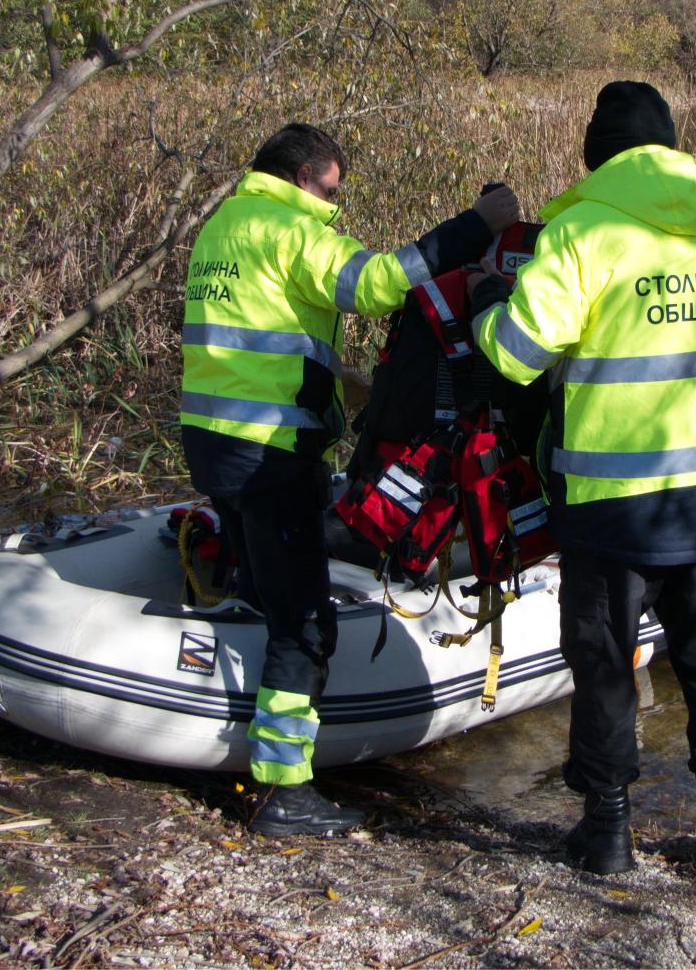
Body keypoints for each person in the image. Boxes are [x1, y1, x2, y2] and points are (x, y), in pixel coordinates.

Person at [180, 122, 518, 836]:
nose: (335, 205)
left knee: (260, 583)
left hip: (212, 444)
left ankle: (240, 716)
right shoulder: (288, 230)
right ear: (301, 176)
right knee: (304, 626)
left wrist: (338, 383)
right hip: (271, 453)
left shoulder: (223, 226)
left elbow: (261, 330)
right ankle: (281, 791)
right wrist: (476, 226)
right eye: (331, 190)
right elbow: (376, 285)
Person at [466, 82, 696, 876]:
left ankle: (608, 835)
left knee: (603, 667)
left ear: (597, 155)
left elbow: (516, 354)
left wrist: (488, 296)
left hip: (610, 505)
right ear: (670, 149)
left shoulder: (583, 232)